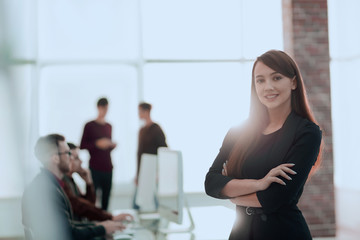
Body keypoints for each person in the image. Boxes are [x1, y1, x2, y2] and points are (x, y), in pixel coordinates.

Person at [204, 50, 322, 240]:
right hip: (241, 233)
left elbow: (277, 198)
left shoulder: (307, 133)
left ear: (293, 82)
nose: (268, 87)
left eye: (276, 78)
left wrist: (232, 195)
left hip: (284, 233)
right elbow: (211, 183)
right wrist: (259, 184)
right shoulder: (239, 131)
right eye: (260, 80)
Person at [22, 134, 124, 240]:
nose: (71, 158)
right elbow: (68, 234)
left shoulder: (51, 184)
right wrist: (102, 228)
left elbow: (68, 226)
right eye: (68, 153)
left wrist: (101, 226)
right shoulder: (47, 190)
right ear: (55, 158)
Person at [64, 142, 133, 222]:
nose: (81, 161)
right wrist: (110, 218)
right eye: (76, 158)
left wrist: (89, 183)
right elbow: (81, 208)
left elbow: (89, 204)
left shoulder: (71, 181)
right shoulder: (64, 182)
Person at [80, 97, 117, 210]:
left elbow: (107, 149)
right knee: (93, 197)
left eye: (106, 109)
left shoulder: (109, 126)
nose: (105, 111)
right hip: (95, 167)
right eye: (103, 108)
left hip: (108, 167)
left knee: (106, 199)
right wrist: (97, 144)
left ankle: (107, 223)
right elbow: (82, 145)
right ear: (98, 108)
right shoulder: (89, 125)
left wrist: (110, 146)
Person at [133, 102, 167, 209]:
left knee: (151, 199)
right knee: (139, 202)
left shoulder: (156, 129)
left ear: (146, 111)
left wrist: (159, 172)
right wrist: (137, 174)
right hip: (143, 170)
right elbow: (139, 154)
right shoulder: (142, 130)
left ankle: (158, 222)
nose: (138, 114)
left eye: (140, 111)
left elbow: (164, 150)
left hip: (152, 169)